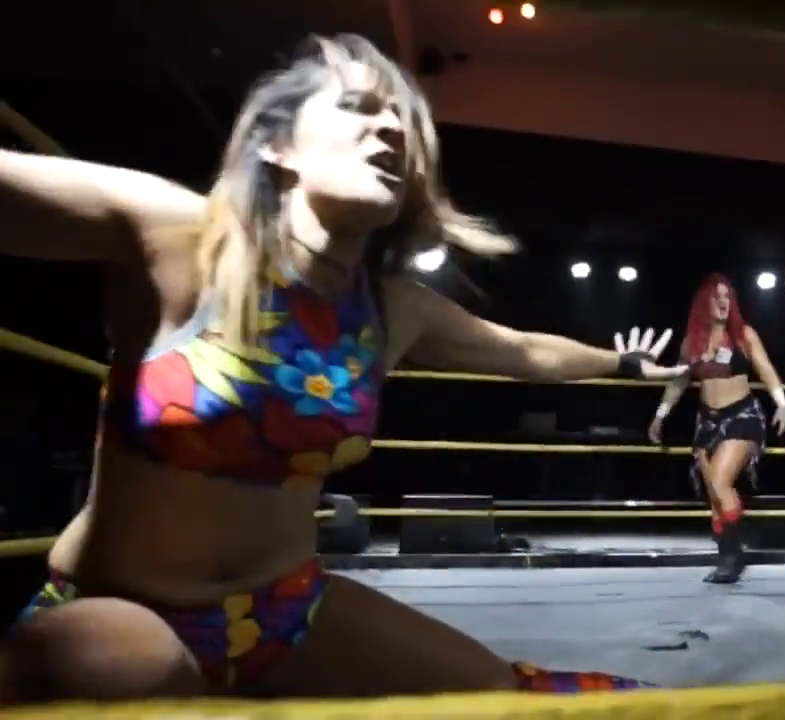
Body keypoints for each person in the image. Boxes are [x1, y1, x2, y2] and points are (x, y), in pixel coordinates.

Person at [0, 34, 686, 702]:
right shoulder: (182, 237)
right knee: (141, 674)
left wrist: (626, 365)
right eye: (358, 108)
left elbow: (523, 350)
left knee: (525, 698)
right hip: (122, 610)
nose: (390, 130)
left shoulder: (391, 308)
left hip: (283, 610)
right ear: (277, 145)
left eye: (403, 124)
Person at [648, 274, 785, 584]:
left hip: (741, 415)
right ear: (704, 302)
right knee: (714, 493)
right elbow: (679, 381)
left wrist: (782, 404)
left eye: (727, 296)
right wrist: (660, 415)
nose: (723, 302)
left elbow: (764, 367)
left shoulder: (743, 335)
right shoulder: (692, 342)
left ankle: (733, 556)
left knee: (720, 481)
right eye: (717, 296)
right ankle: (727, 555)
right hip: (707, 420)